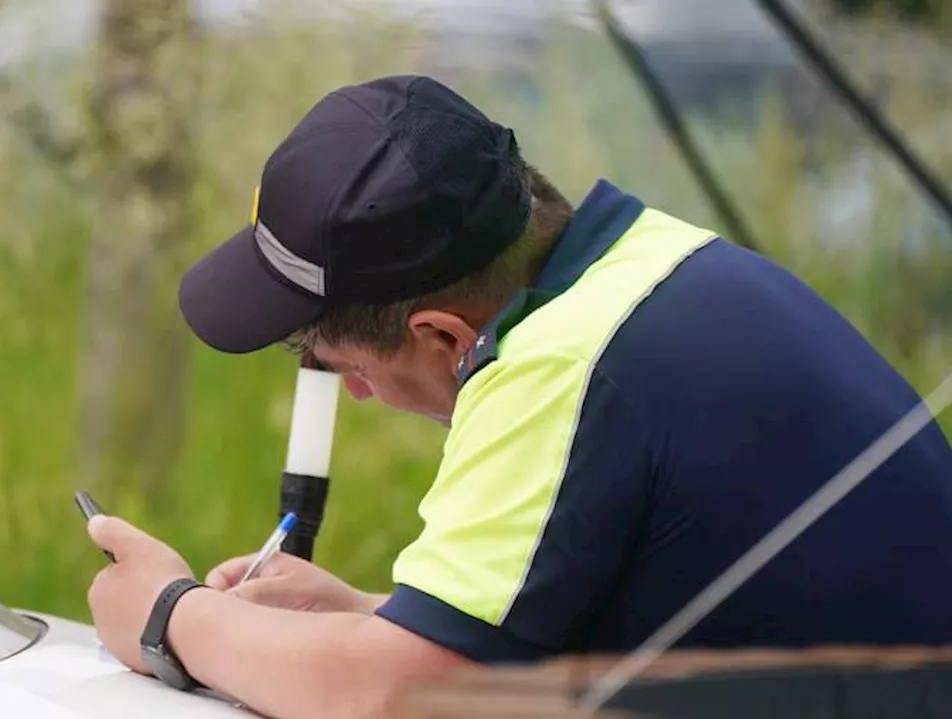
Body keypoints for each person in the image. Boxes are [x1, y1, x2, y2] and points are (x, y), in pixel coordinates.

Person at [82, 75, 952, 719]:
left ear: (444, 338)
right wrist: (365, 615)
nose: (353, 390)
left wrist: (169, 613)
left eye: (338, 359)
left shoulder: (561, 368)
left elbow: (395, 698)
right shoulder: (652, 263)